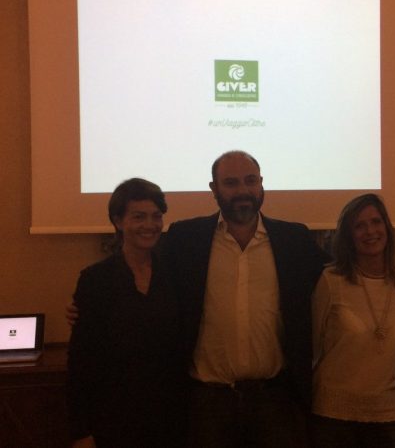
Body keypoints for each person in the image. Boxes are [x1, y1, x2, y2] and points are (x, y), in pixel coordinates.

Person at [163, 150, 329, 447]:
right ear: (213, 189)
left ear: (261, 183)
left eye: (250, 180)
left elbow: (340, 278)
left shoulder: (294, 240)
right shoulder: (184, 239)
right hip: (207, 403)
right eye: (231, 183)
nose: (243, 190)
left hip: (275, 401)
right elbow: (147, 281)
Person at [66, 178, 186, 448]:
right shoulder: (95, 280)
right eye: (138, 216)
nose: (150, 225)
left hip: (170, 418)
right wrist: (80, 431)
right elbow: (81, 362)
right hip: (113, 419)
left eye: (156, 216)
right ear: (118, 221)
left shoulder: (176, 276)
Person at [311, 194, 395, 448]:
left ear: (386, 227)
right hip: (333, 416)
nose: (370, 231)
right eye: (359, 226)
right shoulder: (331, 280)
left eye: (376, 222)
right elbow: (313, 346)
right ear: (348, 236)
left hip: (389, 413)